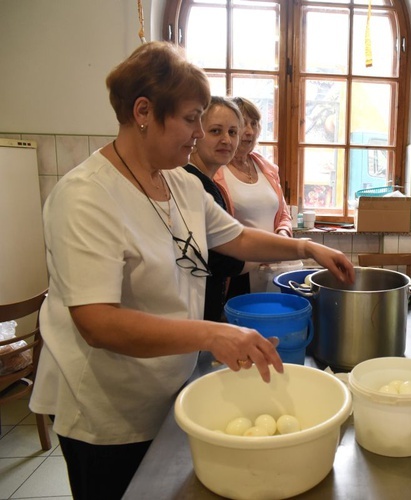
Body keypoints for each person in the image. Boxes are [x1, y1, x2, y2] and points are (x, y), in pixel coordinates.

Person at [29, 41, 354, 500]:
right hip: (105, 406)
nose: (200, 133)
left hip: (167, 387)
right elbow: (96, 323)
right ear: (144, 111)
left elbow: (236, 237)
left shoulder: (179, 181)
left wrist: (305, 245)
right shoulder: (86, 197)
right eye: (190, 118)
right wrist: (211, 334)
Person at [214, 97, 294, 297]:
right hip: (237, 269)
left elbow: (283, 213)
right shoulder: (216, 171)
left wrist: (282, 237)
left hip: (272, 268)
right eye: (242, 124)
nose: (249, 131)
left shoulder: (266, 168)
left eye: (254, 123)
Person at [183, 96, 247, 322]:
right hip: (193, 315)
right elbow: (225, 259)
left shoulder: (207, 182)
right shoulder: (193, 183)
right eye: (215, 131)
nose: (226, 140)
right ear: (197, 133)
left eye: (232, 132)